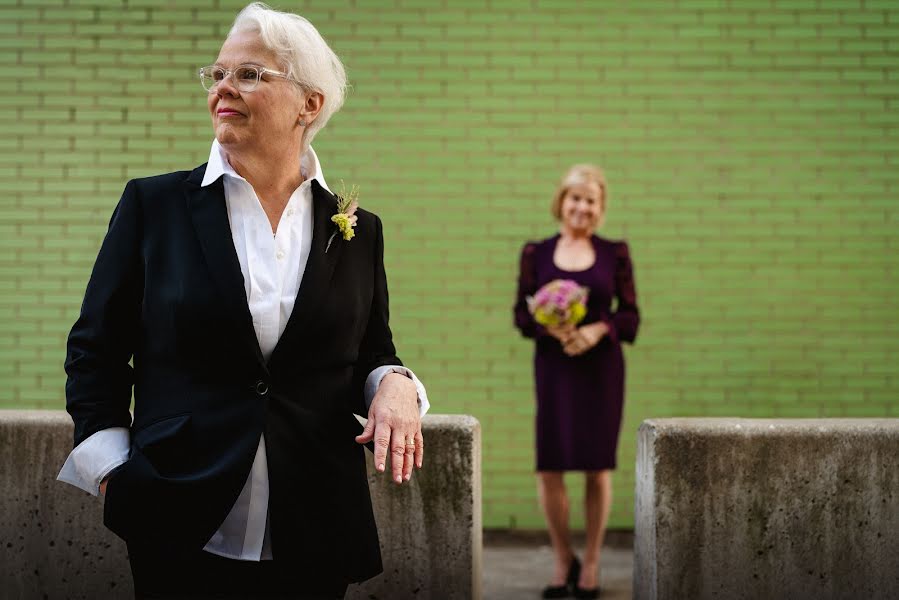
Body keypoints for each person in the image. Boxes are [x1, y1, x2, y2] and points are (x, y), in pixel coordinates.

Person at [56, 3, 429, 598]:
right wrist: (111, 470)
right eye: (218, 73)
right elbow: (95, 349)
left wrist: (398, 383)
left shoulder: (356, 228)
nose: (224, 87)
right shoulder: (153, 206)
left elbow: (371, 351)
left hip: (315, 521)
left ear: (310, 104)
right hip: (175, 516)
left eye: (250, 74)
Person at [514, 164, 639, 599]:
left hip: (600, 370)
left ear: (600, 208)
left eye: (591, 200)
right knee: (550, 467)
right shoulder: (536, 254)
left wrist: (596, 329)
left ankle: (594, 563)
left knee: (596, 467)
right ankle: (563, 558)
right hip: (555, 368)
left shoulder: (615, 254)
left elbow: (629, 314)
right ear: (561, 201)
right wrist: (553, 328)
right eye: (575, 197)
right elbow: (521, 314)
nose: (582, 207)